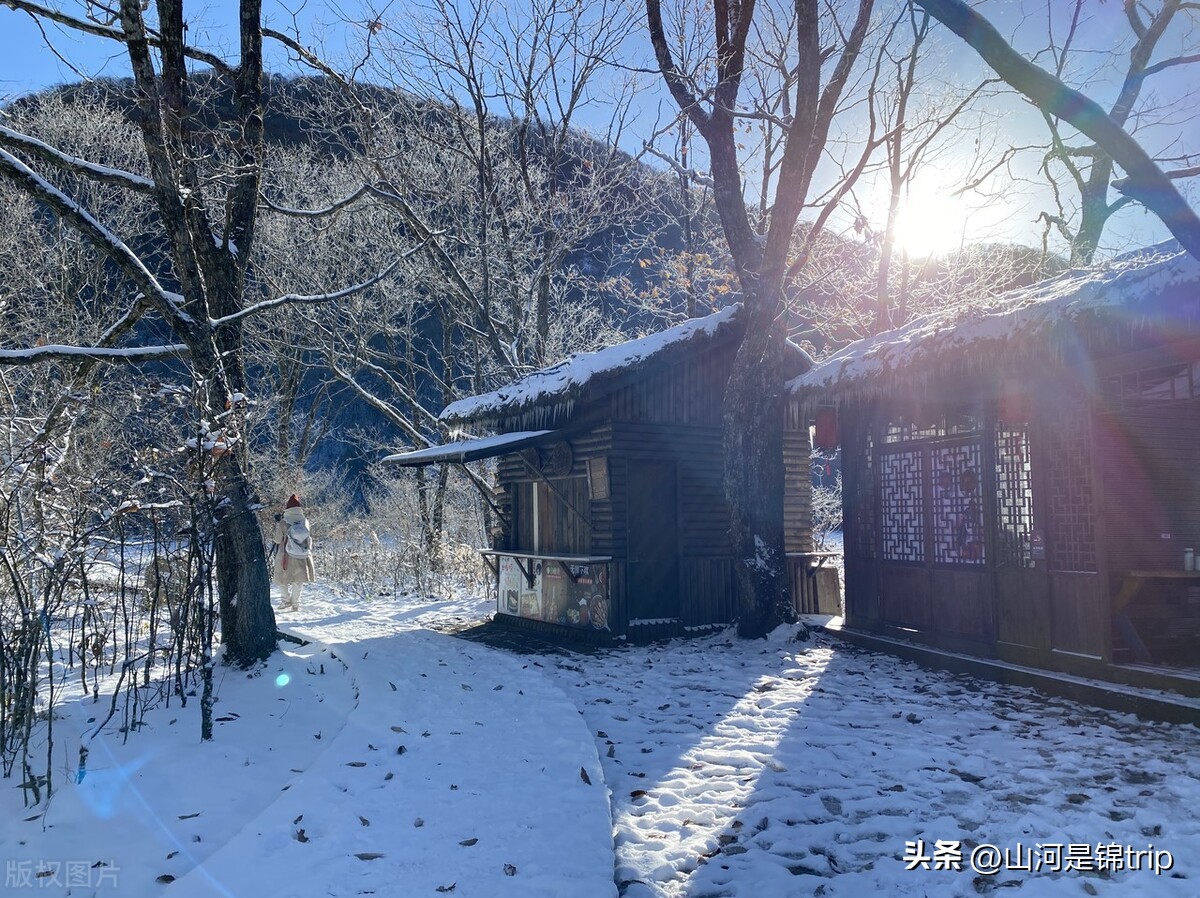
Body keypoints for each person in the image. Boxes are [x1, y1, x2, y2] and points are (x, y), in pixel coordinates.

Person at [273, 494, 315, 611]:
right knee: (298, 580)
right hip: (302, 554)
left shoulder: (283, 522)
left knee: (281, 578)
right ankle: (296, 604)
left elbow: (277, 540)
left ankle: (286, 601)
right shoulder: (305, 521)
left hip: (285, 555)